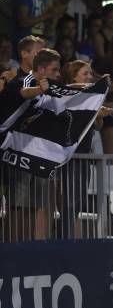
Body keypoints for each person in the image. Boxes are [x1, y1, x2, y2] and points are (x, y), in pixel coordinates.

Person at [58, 59, 112, 239]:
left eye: (90, 73)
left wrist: (99, 113)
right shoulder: (66, 94)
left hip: (83, 156)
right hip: (67, 157)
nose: (90, 77)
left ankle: (66, 239)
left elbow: (97, 126)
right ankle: (62, 241)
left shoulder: (91, 98)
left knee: (78, 202)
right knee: (69, 203)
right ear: (73, 77)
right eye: (85, 74)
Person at [13, 48, 62, 240]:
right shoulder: (27, 81)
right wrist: (40, 90)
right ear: (41, 69)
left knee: (39, 204)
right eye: (54, 70)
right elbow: (24, 92)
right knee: (18, 205)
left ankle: (35, 247)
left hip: (41, 153)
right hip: (20, 151)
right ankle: (15, 247)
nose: (58, 74)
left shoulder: (53, 88)